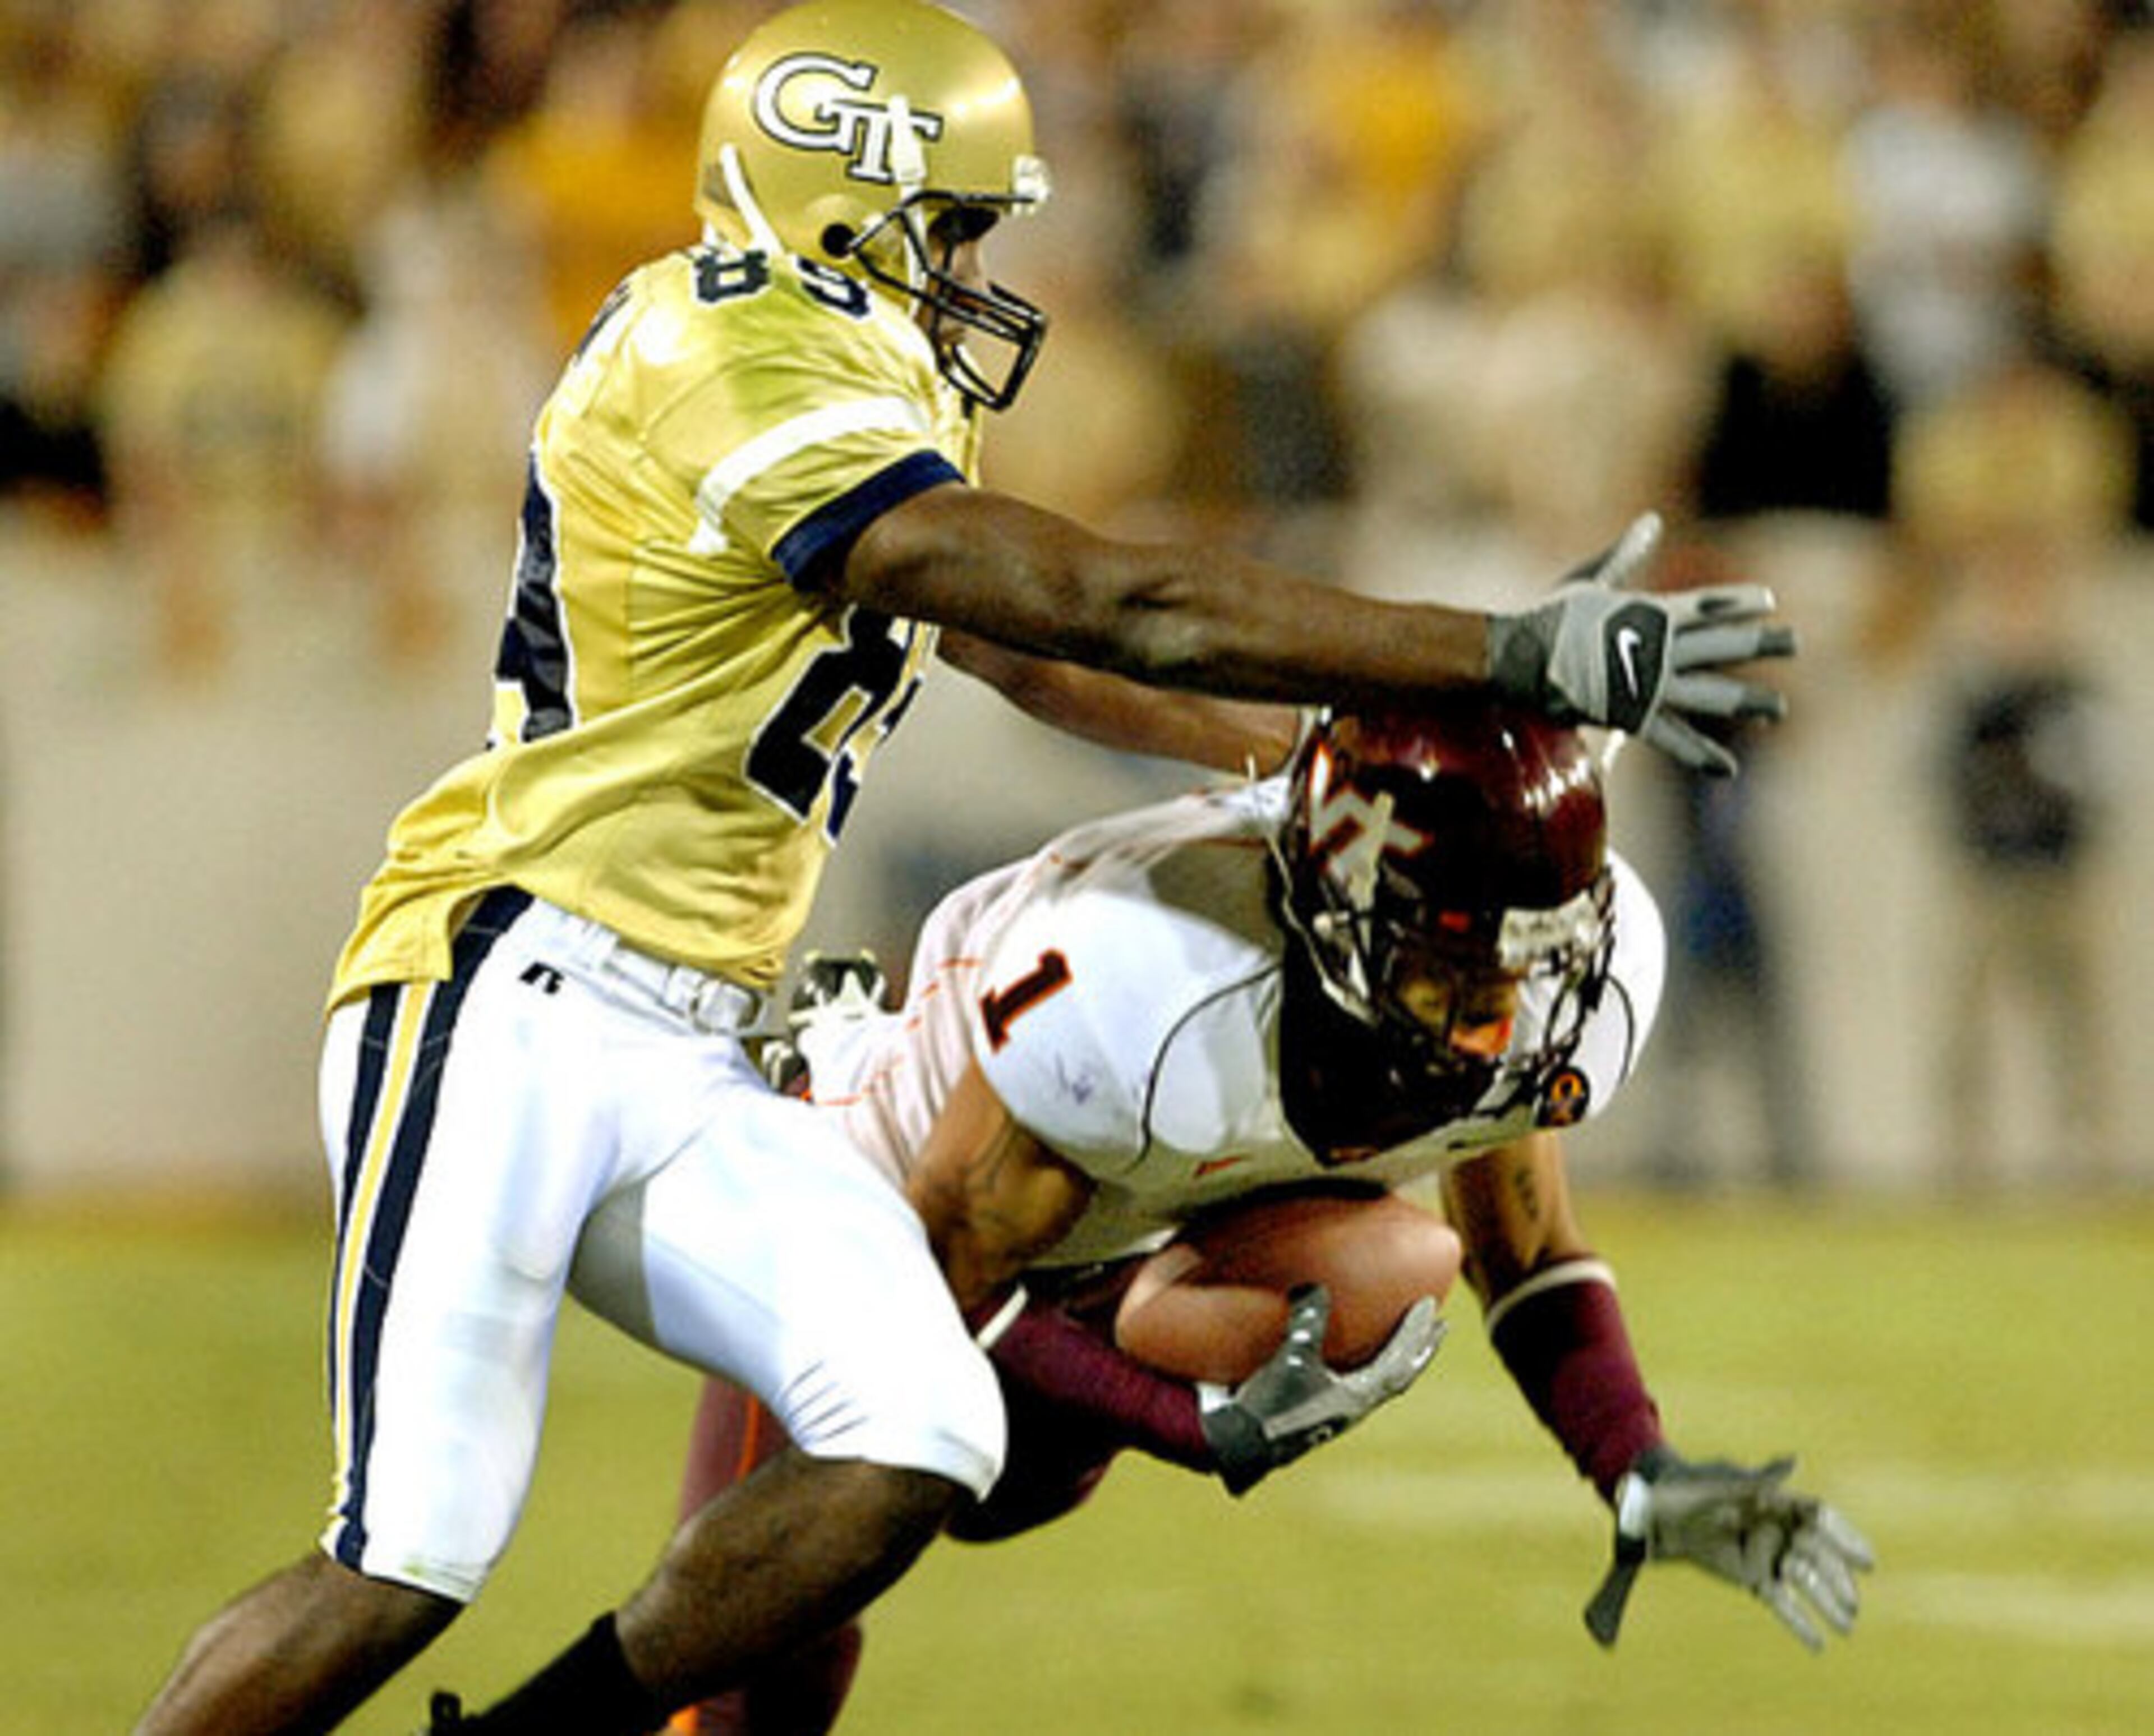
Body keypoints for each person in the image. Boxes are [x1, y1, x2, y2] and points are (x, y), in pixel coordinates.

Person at [131, 3, 1797, 1733]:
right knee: (405, 1559)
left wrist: (1344, 755)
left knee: (918, 1430)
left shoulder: (856, 367)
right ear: (845, 202)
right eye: (958, 228)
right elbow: (1106, 603)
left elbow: (1035, 659)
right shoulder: (722, 351)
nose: (979, 273)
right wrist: (1494, 650)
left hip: (681, 1038)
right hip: (504, 989)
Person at [664, 702, 1872, 1733]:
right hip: (889, 1221)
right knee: (775, 1629)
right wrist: (1186, 1422)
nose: (1497, 1021)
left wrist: (1636, 1468)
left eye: (1530, 968)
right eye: (1453, 971)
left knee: (1398, 1260)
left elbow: (1530, 1248)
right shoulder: (1145, 974)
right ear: (1341, 915)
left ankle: (1115, 1311)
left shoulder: (1542, 995)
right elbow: (932, 1279)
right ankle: (835, 1051)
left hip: (1116, 1240)